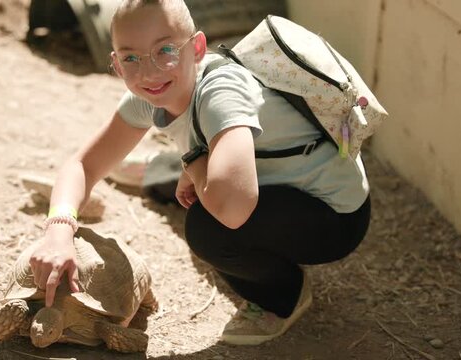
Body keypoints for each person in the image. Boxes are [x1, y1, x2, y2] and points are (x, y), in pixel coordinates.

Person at [29, 0, 371, 345]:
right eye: (131, 58)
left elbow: (234, 209)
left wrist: (193, 159)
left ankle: (283, 296)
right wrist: (59, 229)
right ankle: (161, 169)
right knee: (196, 190)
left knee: (209, 228)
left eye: (165, 50)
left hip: (335, 214)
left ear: (197, 48)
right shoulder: (150, 95)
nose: (149, 72)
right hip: (280, 179)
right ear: (116, 64)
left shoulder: (221, 93)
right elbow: (82, 165)